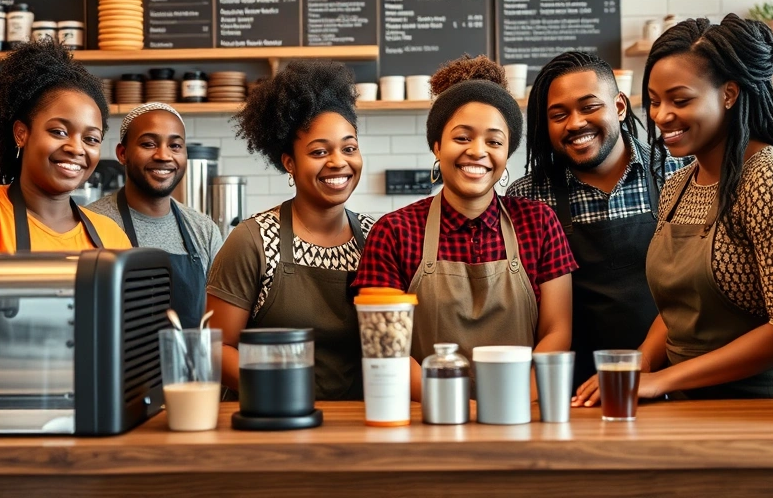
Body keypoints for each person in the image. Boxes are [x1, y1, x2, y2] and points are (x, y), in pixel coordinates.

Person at [574, 14, 773, 405]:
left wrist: (662, 380)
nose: (660, 116)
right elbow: (680, 311)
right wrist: (639, 365)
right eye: (655, 102)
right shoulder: (678, 185)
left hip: (762, 410)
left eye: (681, 100)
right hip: (686, 402)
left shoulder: (770, 179)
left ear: (729, 94)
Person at [353, 55, 577, 401]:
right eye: (462, 138)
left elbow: (557, 332)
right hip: (425, 415)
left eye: (494, 141)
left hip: (518, 411)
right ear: (437, 146)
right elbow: (386, 346)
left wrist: (514, 400)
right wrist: (451, 406)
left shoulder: (539, 224)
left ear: (506, 154)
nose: (478, 152)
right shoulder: (394, 232)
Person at [506, 52, 688, 389]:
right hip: (566, 390)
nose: (575, 123)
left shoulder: (678, 176)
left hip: (670, 381)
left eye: (589, 107)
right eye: (558, 115)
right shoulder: (527, 197)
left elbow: (692, 293)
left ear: (619, 106)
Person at [205, 60, 373, 401]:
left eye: (349, 148)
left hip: (355, 422)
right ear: (290, 163)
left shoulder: (375, 238)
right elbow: (214, 348)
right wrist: (280, 391)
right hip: (269, 418)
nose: (338, 161)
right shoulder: (253, 240)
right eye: (319, 151)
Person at [0, 38, 131, 252]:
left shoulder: (111, 235)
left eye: (91, 139)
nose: (77, 148)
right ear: (21, 134)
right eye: (59, 132)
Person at [87, 103, 223, 329]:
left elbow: (218, 322)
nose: (163, 155)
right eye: (148, 144)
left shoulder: (204, 230)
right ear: (123, 153)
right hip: (120, 364)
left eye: (175, 145)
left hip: (189, 363)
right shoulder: (92, 222)